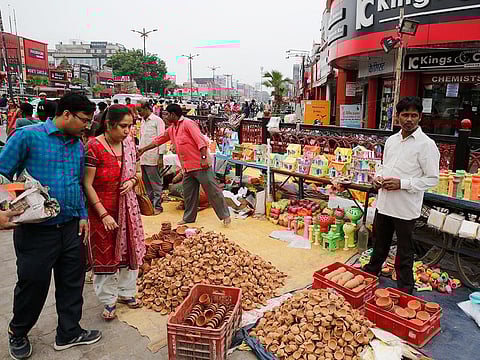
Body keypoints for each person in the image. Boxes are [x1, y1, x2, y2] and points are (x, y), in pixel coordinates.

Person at [0, 93, 101, 359]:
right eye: (84, 120)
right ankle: (18, 332)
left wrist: (82, 215)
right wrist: (6, 208)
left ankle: (68, 332)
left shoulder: (77, 145)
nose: (87, 126)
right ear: (66, 114)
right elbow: (2, 172)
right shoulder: (28, 137)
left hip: (70, 226)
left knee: (72, 283)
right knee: (33, 284)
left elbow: (77, 183)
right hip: (36, 231)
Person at [364, 96, 440, 295]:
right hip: (385, 203)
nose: (409, 119)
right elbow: (385, 166)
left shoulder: (426, 145)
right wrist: (378, 178)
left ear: (420, 117)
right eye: (405, 115)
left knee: (405, 252)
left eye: (413, 115)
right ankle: (371, 274)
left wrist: (402, 184)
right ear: (397, 117)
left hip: (406, 208)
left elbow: (432, 179)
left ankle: (405, 289)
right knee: (379, 243)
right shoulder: (391, 140)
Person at [84, 105, 145, 320]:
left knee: (131, 250)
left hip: (128, 208)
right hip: (103, 208)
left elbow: (137, 171)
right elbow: (87, 184)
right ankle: (108, 300)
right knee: (105, 255)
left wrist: (131, 180)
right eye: (123, 126)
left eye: (130, 126)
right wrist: (103, 214)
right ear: (109, 124)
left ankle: (127, 293)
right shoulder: (94, 146)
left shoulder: (129, 144)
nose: (127, 131)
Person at [138, 103, 231, 226]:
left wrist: (203, 158)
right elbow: (159, 140)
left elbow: (201, 141)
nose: (164, 117)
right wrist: (144, 149)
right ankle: (188, 218)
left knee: (213, 191)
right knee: (189, 194)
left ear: (173, 115)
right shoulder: (172, 128)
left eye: (166, 114)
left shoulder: (188, 124)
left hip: (200, 165)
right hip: (187, 168)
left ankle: (225, 216)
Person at [137, 101, 166, 214]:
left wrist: (160, 157)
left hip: (153, 157)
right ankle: (149, 205)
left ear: (146, 108)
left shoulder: (157, 121)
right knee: (147, 184)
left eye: (140, 111)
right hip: (144, 157)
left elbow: (162, 139)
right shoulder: (143, 121)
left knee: (156, 184)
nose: (139, 114)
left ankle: (158, 206)